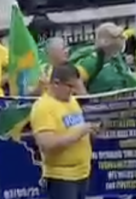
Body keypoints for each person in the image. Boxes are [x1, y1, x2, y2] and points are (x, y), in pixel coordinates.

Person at [30, 64, 99, 199]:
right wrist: (80, 132)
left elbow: (73, 129)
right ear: (56, 83)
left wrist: (90, 132)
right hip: (61, 177)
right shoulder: (43, 107)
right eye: (70, 86)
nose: (73, 91)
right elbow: (47, 145)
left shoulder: (71, 101)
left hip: (83, 173)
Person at [75, 23, 136, 94]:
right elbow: (75, 81)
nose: (122, 39)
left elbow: (129, 78)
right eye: (118, 37)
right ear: (105, 41)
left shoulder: (117, 58)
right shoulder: (92, 61)